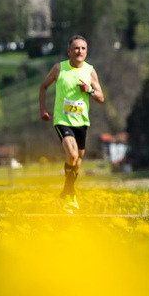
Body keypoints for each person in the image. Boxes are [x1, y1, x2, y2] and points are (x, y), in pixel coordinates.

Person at [38, 35, 105, 210]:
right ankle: (72, 194)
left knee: (77, 164)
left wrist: (88, 90)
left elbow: (101, 98)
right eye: (76, 48)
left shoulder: (90, 71)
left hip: (82, 122)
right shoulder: (59, 68)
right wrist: (43, 110)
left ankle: (64, 194)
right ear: (69, 51)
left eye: (83, 48)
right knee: (72, 155)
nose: (79, 51)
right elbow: (43, 86)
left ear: (86, 51)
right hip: (62, 120)